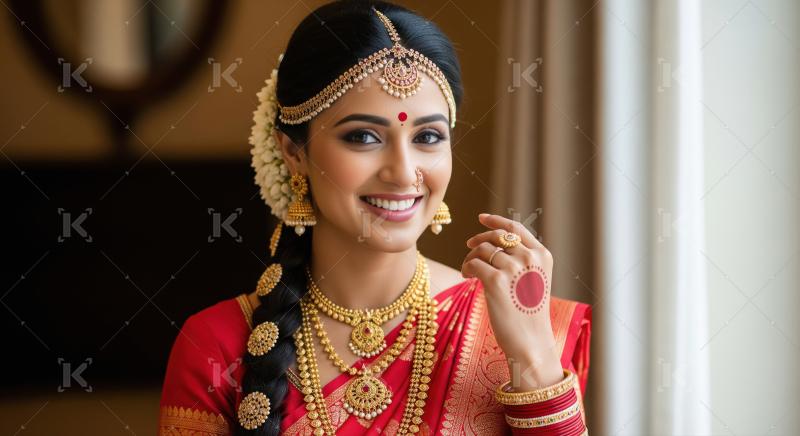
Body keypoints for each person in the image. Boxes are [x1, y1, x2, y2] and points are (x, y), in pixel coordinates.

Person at [158, 1, 591, 434]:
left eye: (427, 136)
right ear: (294, 152)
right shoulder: (216, 346)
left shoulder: (518, 326)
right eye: (363, 136)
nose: (403, 172)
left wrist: (533, 358)